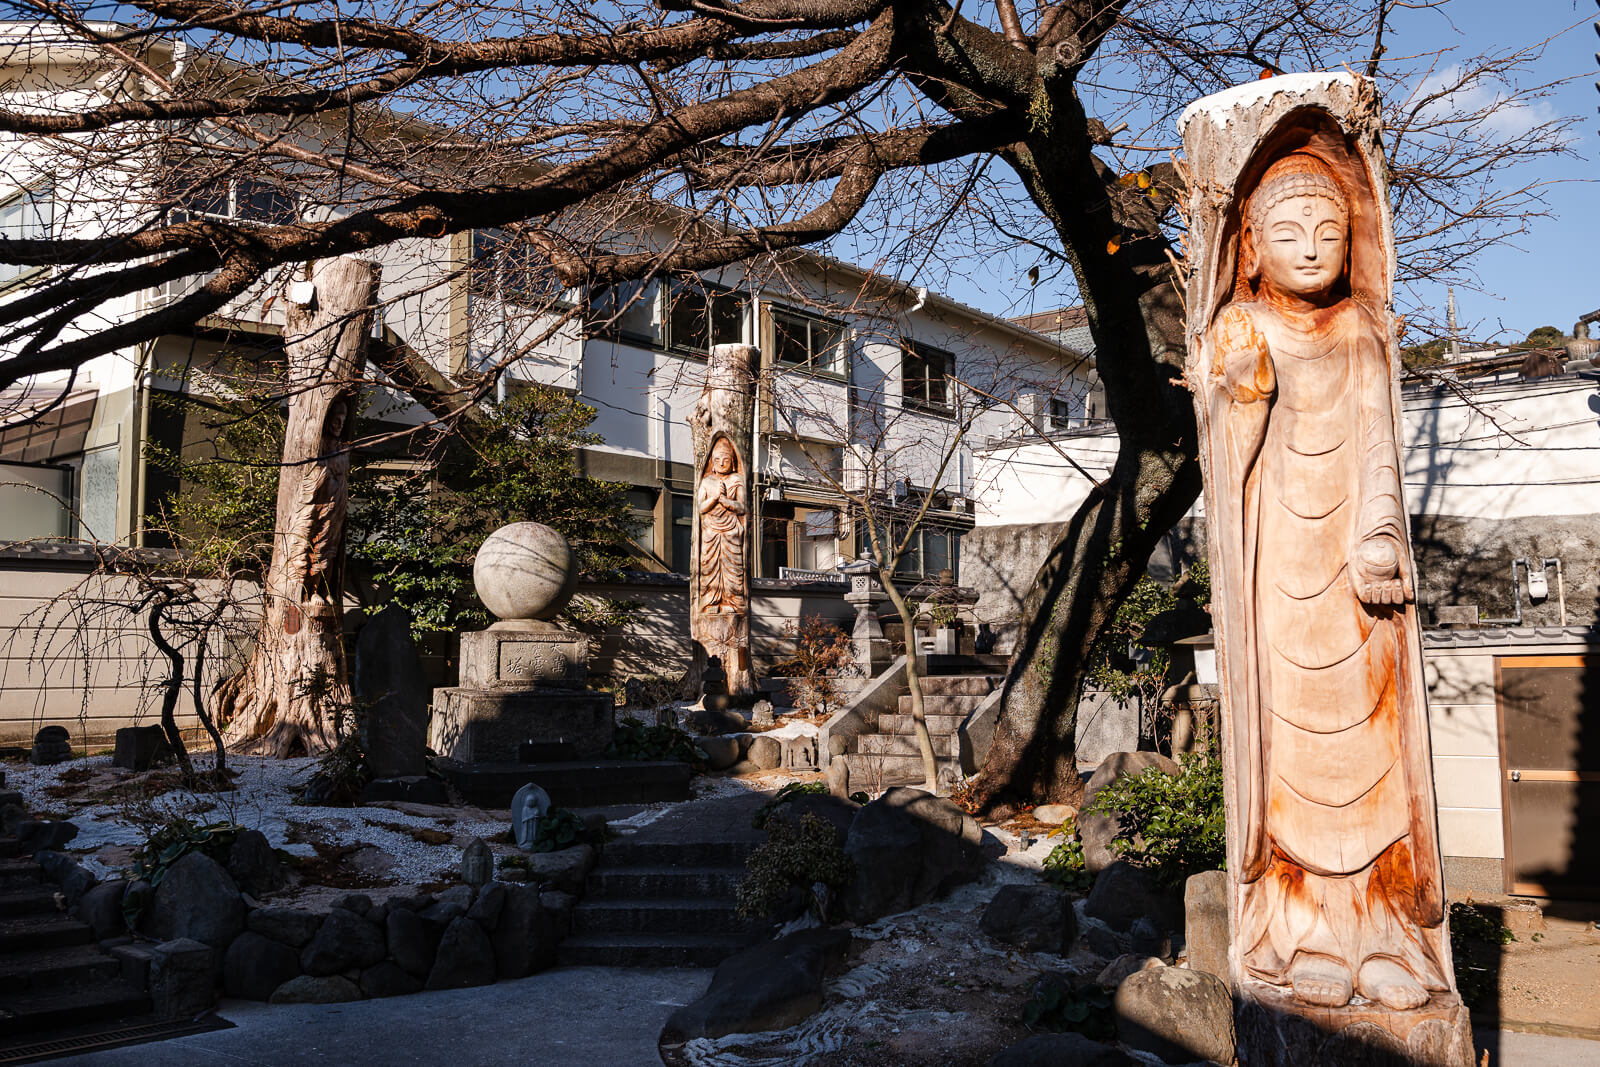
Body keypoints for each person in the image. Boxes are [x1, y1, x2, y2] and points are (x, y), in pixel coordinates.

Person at [1206, 150, 1449, 1011]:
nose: (1311, 248)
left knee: (1372, 750)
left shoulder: (1363, 334)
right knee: (1290, 752)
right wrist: (1239, 396)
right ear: (1249, 245)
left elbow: (1382, 450)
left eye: (1329, 231)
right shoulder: (1242, 326)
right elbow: (1226, 450)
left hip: (1355, 573)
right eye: (1287, 232)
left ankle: (1380, 928)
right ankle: (1305, 926)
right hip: (1277, 568)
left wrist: (1383, 536)